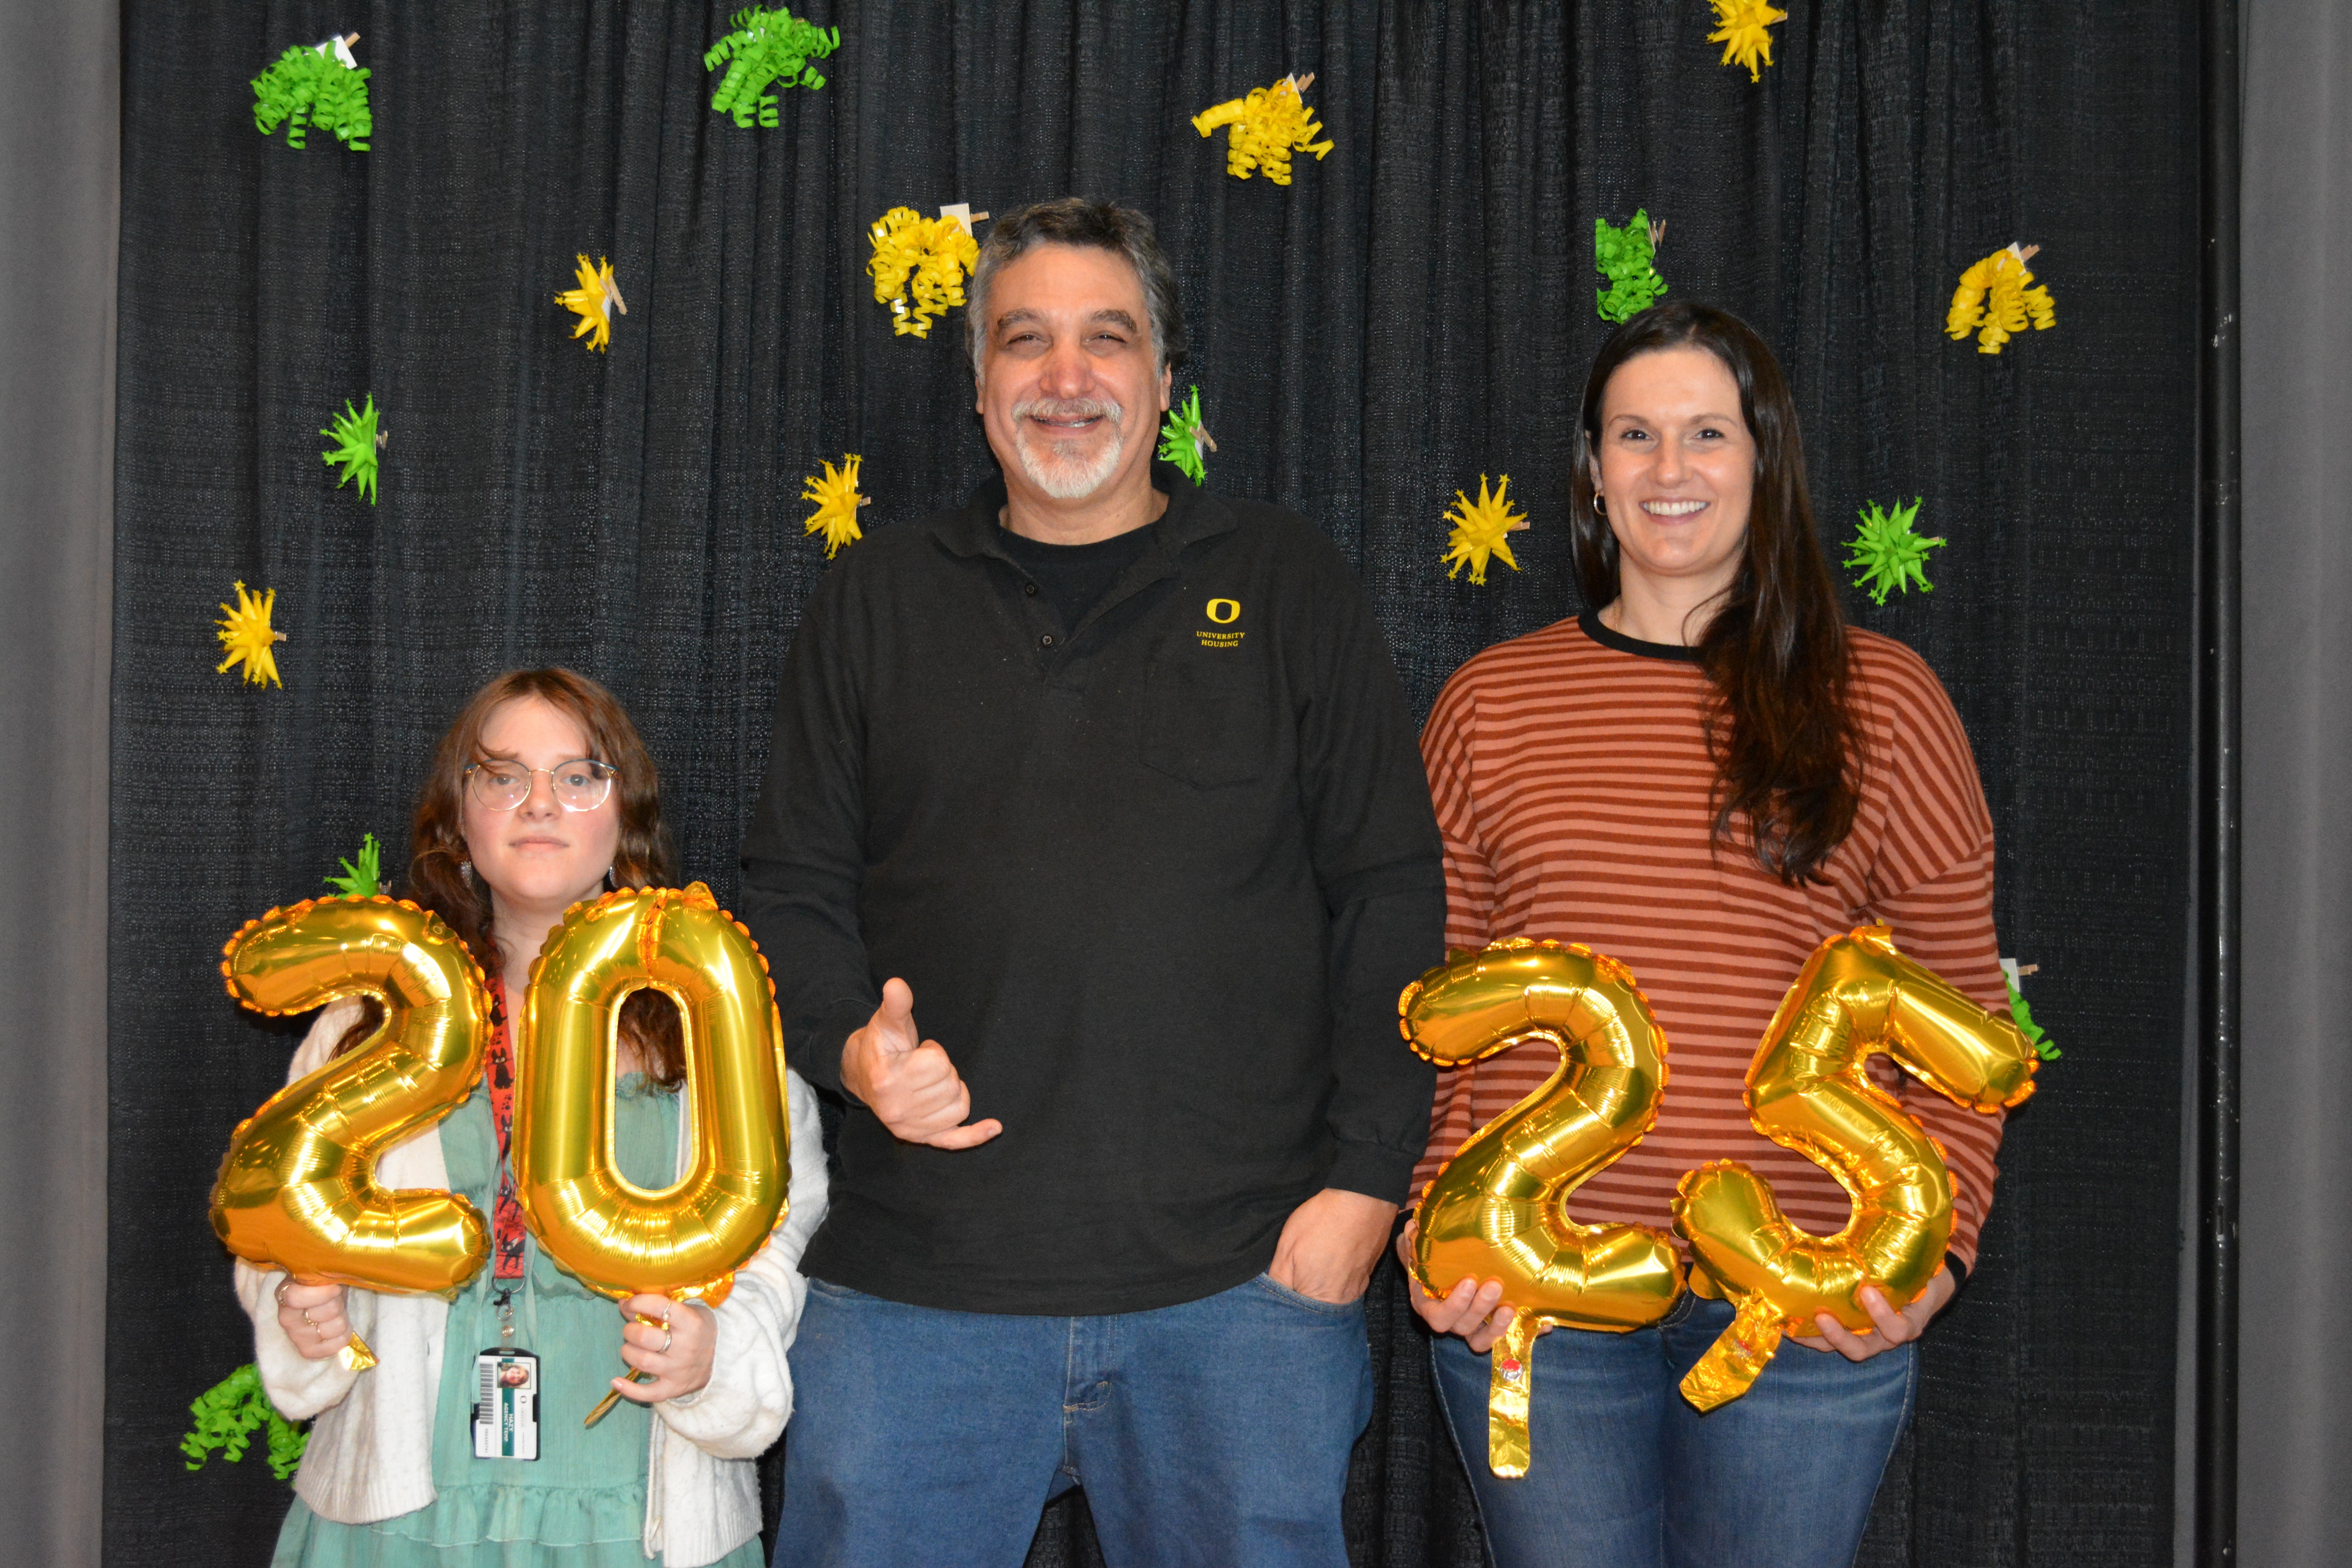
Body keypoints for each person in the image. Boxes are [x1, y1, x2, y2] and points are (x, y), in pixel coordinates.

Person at [741, 197, 1445, 1566]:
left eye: (1105, 340)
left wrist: (1369, 1183)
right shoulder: (874, 601)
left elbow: (1390, 894)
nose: (1066, 379)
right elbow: (791, 886)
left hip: (1240, 1297)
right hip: (913, 1297)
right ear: (980, 385)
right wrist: (846, 1047)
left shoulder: (1288, 582)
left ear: (1165, 382)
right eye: (1026, 342)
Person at [1401, 301, 2016, 1568]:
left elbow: (1965, 1013)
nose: (1669, 471)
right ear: (1591, 470)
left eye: (1705, 435)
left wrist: (1939, 1256)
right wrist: (1426, 1228)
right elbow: (1430, 1008)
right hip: (1537, 1307)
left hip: (1805, 1309)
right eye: (1635, 435)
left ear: (1765, 461)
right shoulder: (1489, 706)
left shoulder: (1885, 701)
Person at [234, 668, 828, 1568]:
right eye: (503, 775)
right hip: (397, 1519)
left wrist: (715, 1355)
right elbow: (278, 1232)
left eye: (578, 776)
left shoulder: (717, 1028)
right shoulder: (363, 1024)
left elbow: (774, 1256)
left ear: (624, 815)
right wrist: (301, 1309)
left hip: (640, 1522)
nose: (539, 803)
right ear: (458, 820)